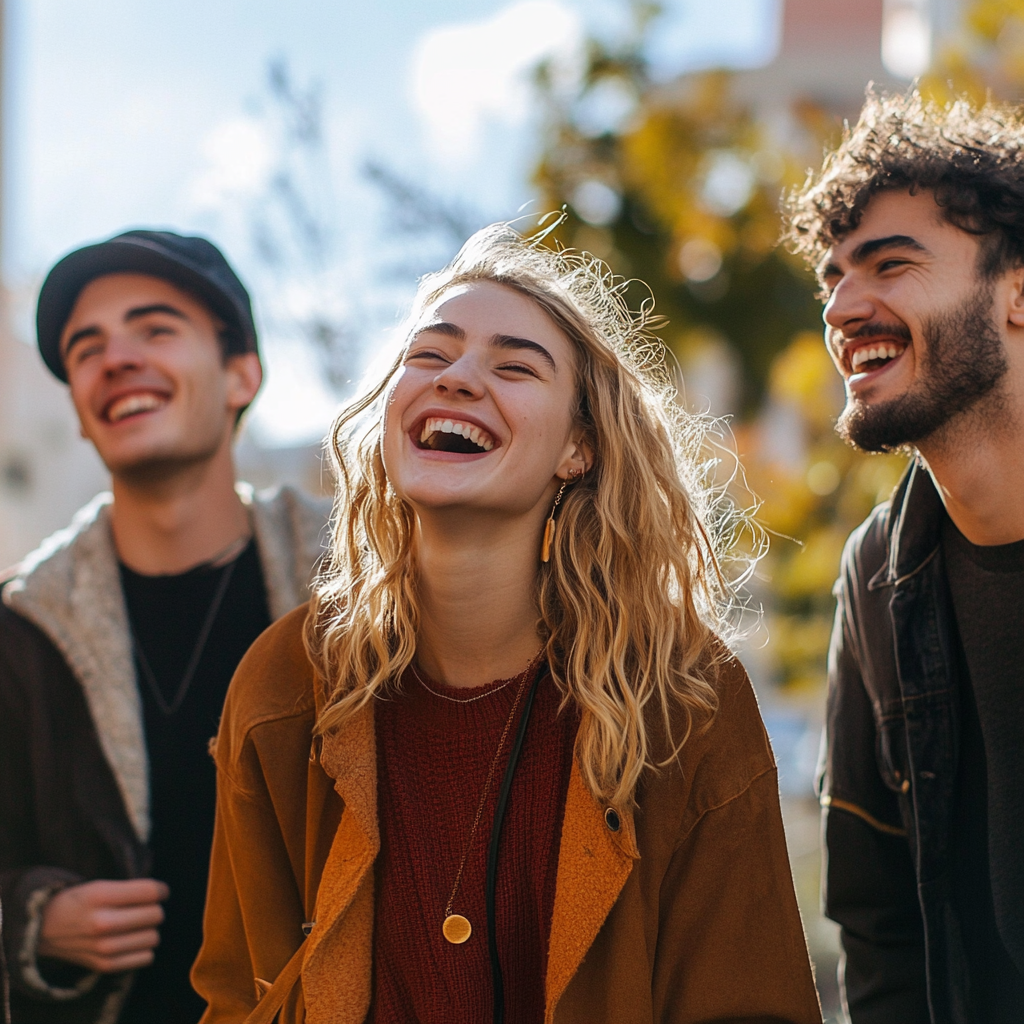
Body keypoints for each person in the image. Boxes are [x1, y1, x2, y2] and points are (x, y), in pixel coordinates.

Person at [192, 223, 822, 1024]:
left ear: (579, 449)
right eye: (429, 355)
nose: (456, 378)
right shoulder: (288, 683)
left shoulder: (682, 698)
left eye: (515, 366)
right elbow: (236, 992)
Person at [0, 230, 329, 1024]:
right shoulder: (20, 629)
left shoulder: (355, 587)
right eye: (87, 348)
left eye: (155, 329)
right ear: (80, 409)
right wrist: (31, 918)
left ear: (240, 375)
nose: (116, 359)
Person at [783, 90, 1024, 1022]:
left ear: (1015, 289)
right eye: (833, 279)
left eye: (891, 264)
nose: (844, 306)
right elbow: (877, 921)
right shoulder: (878, 575)